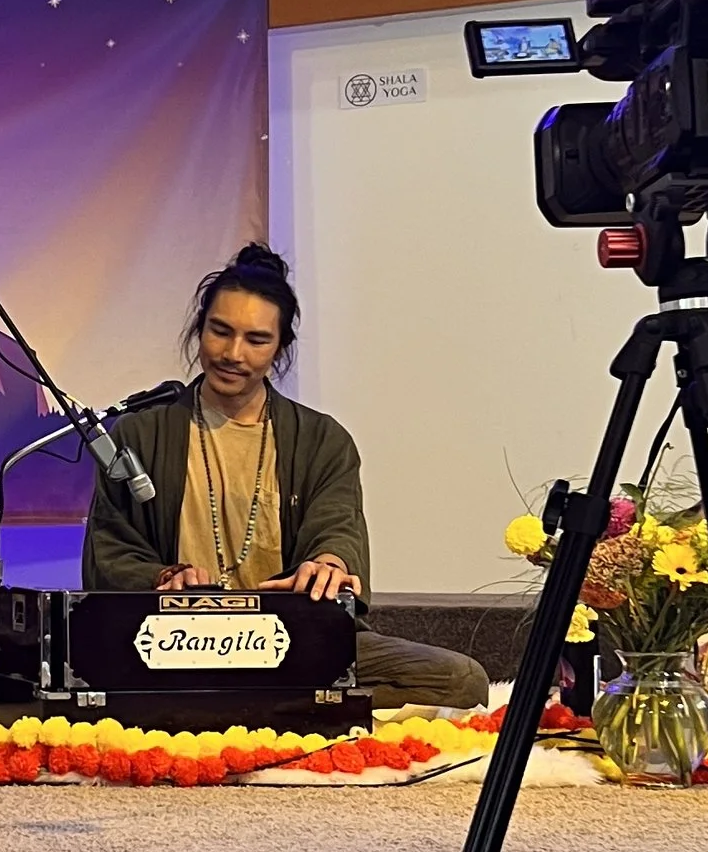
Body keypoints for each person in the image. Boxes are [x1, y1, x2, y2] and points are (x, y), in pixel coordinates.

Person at [82, 243, 486, 712]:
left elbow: (337, 526)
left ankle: (236, 702)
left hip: (291, 640)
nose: (233, 354)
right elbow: (108, 550)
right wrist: (166, 577)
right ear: (199, 330)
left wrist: (329, 564)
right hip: (173, 641)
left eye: (256, 340)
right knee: (83, 663)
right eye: (220, 332)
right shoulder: (141, 431)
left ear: (280, 348)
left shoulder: (322, 440)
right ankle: (275, 706)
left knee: (460, 681)